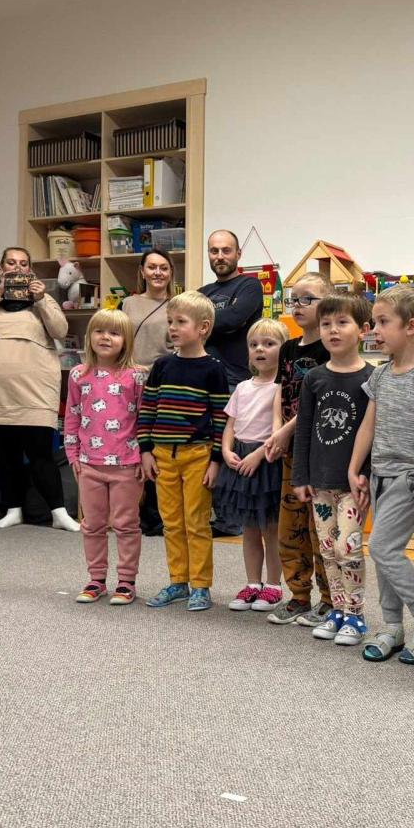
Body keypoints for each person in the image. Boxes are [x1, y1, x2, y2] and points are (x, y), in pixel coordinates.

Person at [348, 284, 414, 663]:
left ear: (410, 327)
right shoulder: (380, 375)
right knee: (384, 552)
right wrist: (355, 468)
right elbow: (368, 425)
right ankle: (392, 626)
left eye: (382, 322)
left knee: (382, 547)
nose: (374, 330)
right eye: (374, 322)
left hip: (411, 476)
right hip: (379, 474)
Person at [0, 247, 79, 532]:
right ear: (1, 268)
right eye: (11, 263)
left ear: (30, 270)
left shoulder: (44, 298)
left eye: (23, 263)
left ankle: (59, 513)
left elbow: (60, 330)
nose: (17, 267)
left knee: (40, 452)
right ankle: (13, 509)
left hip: (35, 388)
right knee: (6, 453)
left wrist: (41, 300)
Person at [292, 294, 375, 645]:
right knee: (327, 549)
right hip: (319, 482)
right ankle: (337, 609)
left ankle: (356, 615)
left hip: (352, 484)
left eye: (342, 323)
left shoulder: (372, 378)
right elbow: (304, 429)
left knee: (348, 547)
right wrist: (300, 477)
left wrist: (366, 475)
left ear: (363, 330)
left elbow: (374, 433)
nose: (333, 330)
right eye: (326, 324)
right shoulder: (314, 378)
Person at [138, 291, 229, 612]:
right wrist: (146, 450)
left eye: (180, 322)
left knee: (196, 522)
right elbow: (147, 409)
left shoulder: (213, 370)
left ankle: (201, 585)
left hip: (198, 456)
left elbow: (221, 419)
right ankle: (178, 581)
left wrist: (215, 461)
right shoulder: (162, 366)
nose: (173, 328)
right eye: (170, 322)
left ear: (203, 328)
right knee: (171, 522)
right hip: (163, 456)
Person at [262, 273, 334, 626]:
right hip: (290, 451)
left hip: (318, 449)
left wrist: (286, 431)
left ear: (327, 304)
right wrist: (277, 430)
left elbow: (316, 403)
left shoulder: (331, 349)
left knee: (320, 526)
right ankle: (299, 596)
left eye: (307, 299)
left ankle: (330, 599)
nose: (298, 306)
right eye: (294, 299)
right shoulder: (289, 348)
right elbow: (280, 390)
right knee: (291, 525)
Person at [66, 310, 146, 606]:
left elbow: (144, 419)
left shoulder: (136, 376)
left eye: (114, 333)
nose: (105, 338)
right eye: (99, 331)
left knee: (126, 524)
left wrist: (144, 455)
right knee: (92, 524)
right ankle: (96, 579)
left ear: (126, 340)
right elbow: (72, 416)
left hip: (127, 463)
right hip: (89, 463)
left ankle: (126, 581)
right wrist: (72, 454)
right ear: (90, 337)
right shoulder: (78, 374)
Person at [219, 318, 288, 612]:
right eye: (254, 344)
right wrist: (226, 451)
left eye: (269, 344)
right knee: (248, 528)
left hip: (266, 460)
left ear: (284, 350)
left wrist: (259, 454)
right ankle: (252, 582)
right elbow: (230, 425)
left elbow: (278, 430)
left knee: (271, 528)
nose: (260, 349)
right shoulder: (242, 387)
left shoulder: (281, 387)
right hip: (240, 459)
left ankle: (273, 585)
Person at [199, 230, 263, 538]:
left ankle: (231, 521)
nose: (220, 256)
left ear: (238, 254)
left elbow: (234, 319)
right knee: (207, 446)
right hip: (203, 377)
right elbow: (189, 323)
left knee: (230, 447)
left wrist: (202, 323)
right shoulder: (203, 291)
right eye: (214, 251)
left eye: (226, 250)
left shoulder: (249, 285)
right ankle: (214, 516)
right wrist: (209, 324)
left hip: (235, 379)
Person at [121, 247, 176, 537]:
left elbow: (179, 345)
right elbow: (118, 339)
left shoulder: (177, 305)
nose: (158, 272)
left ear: (170, 272)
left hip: (161, 382)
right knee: (126, 442)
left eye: (163, 267)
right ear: (142, 271)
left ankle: (155, 515)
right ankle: (126, 511)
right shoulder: (128, 304)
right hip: (127, 381)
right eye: (152, 267)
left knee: (155, 448)